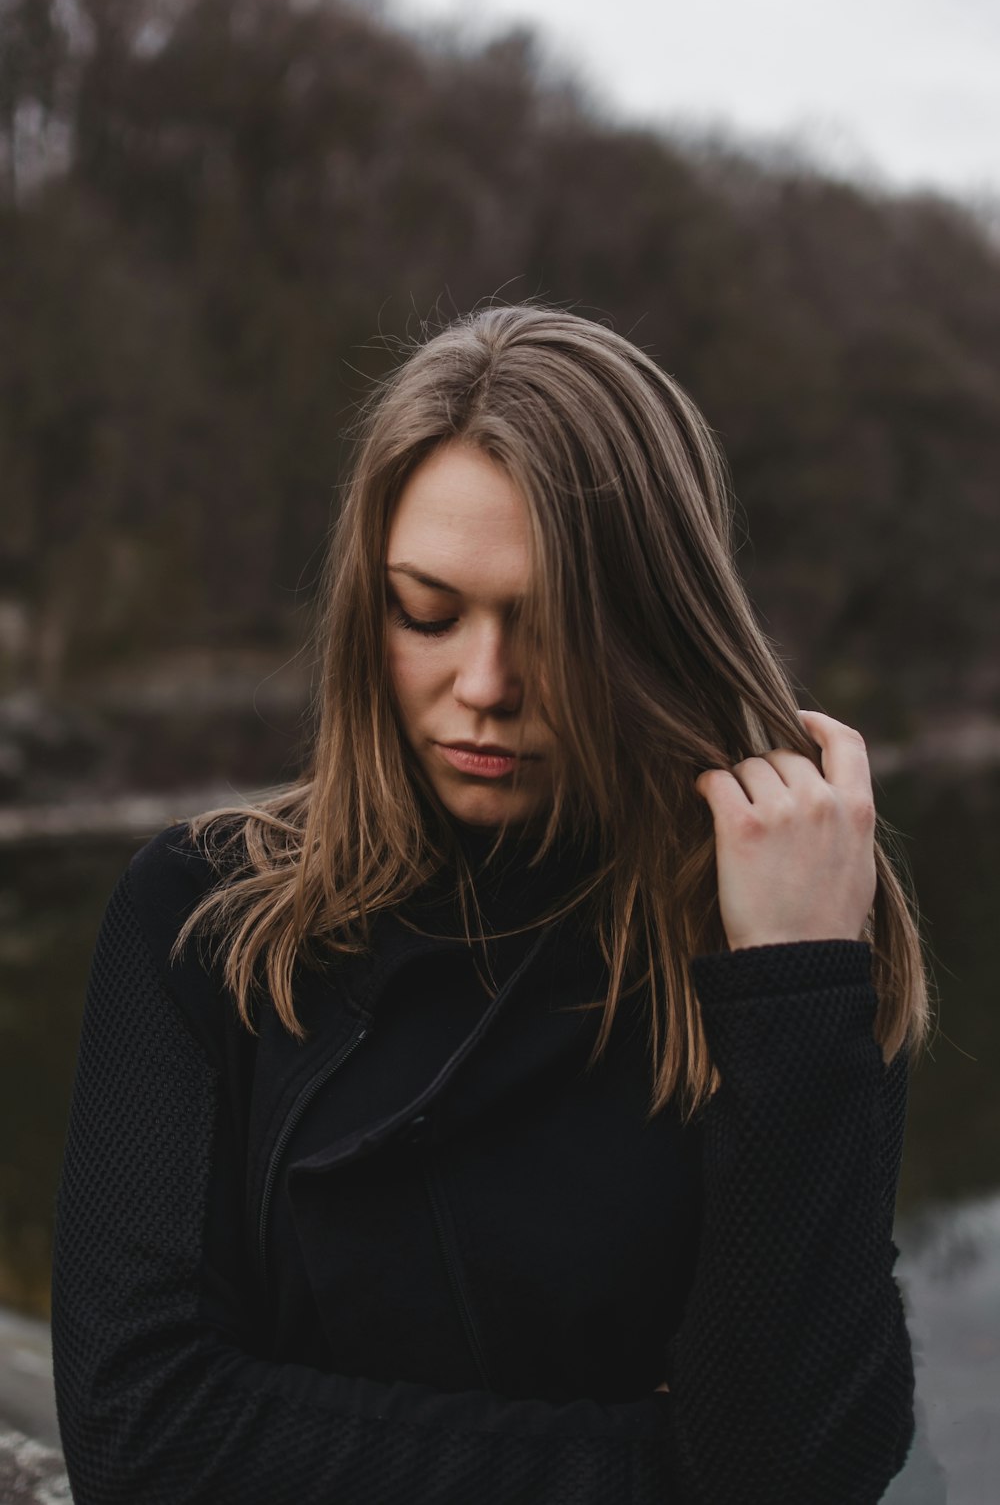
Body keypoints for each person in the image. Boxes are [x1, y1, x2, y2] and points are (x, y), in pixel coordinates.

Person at [51, 304, 927, 1504]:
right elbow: (139, 1436)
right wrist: (656, 1472)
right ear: (370, 604)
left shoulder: (779, 919)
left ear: (652, 626)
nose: (485, 686)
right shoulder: (204, 913)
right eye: (429, 612)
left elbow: (802, 1464)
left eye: (553, 625)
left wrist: (796, 983)